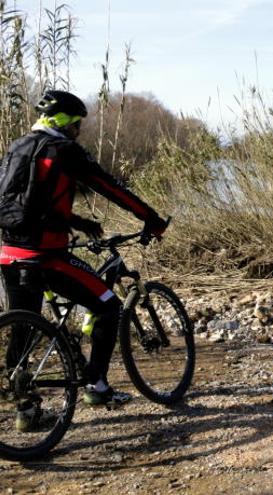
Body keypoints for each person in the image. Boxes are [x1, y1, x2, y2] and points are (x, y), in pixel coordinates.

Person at [0, 90, 167, 430]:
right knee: (109, 306)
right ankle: (97, 385)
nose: (79, 130)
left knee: (23, 327)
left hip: (8, 253)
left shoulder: (18, 146)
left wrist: (78, 223)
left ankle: (27, 411)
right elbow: (110, 187)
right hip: (46, 258)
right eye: (77, 123)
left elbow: (24, 203)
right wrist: (151, 218)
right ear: (65, 122)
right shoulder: (65, 151)